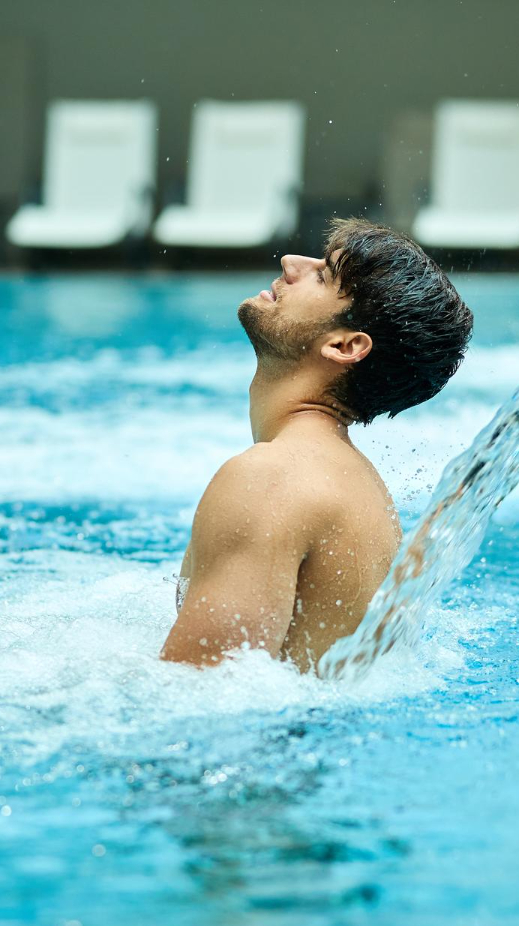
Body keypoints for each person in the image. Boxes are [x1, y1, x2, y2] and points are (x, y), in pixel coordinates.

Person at [161, 218, 474, 671]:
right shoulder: (357, 486)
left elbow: (194, 701)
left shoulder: (271, 479)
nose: (291, 263)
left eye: (324, 275)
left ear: (345, 346)